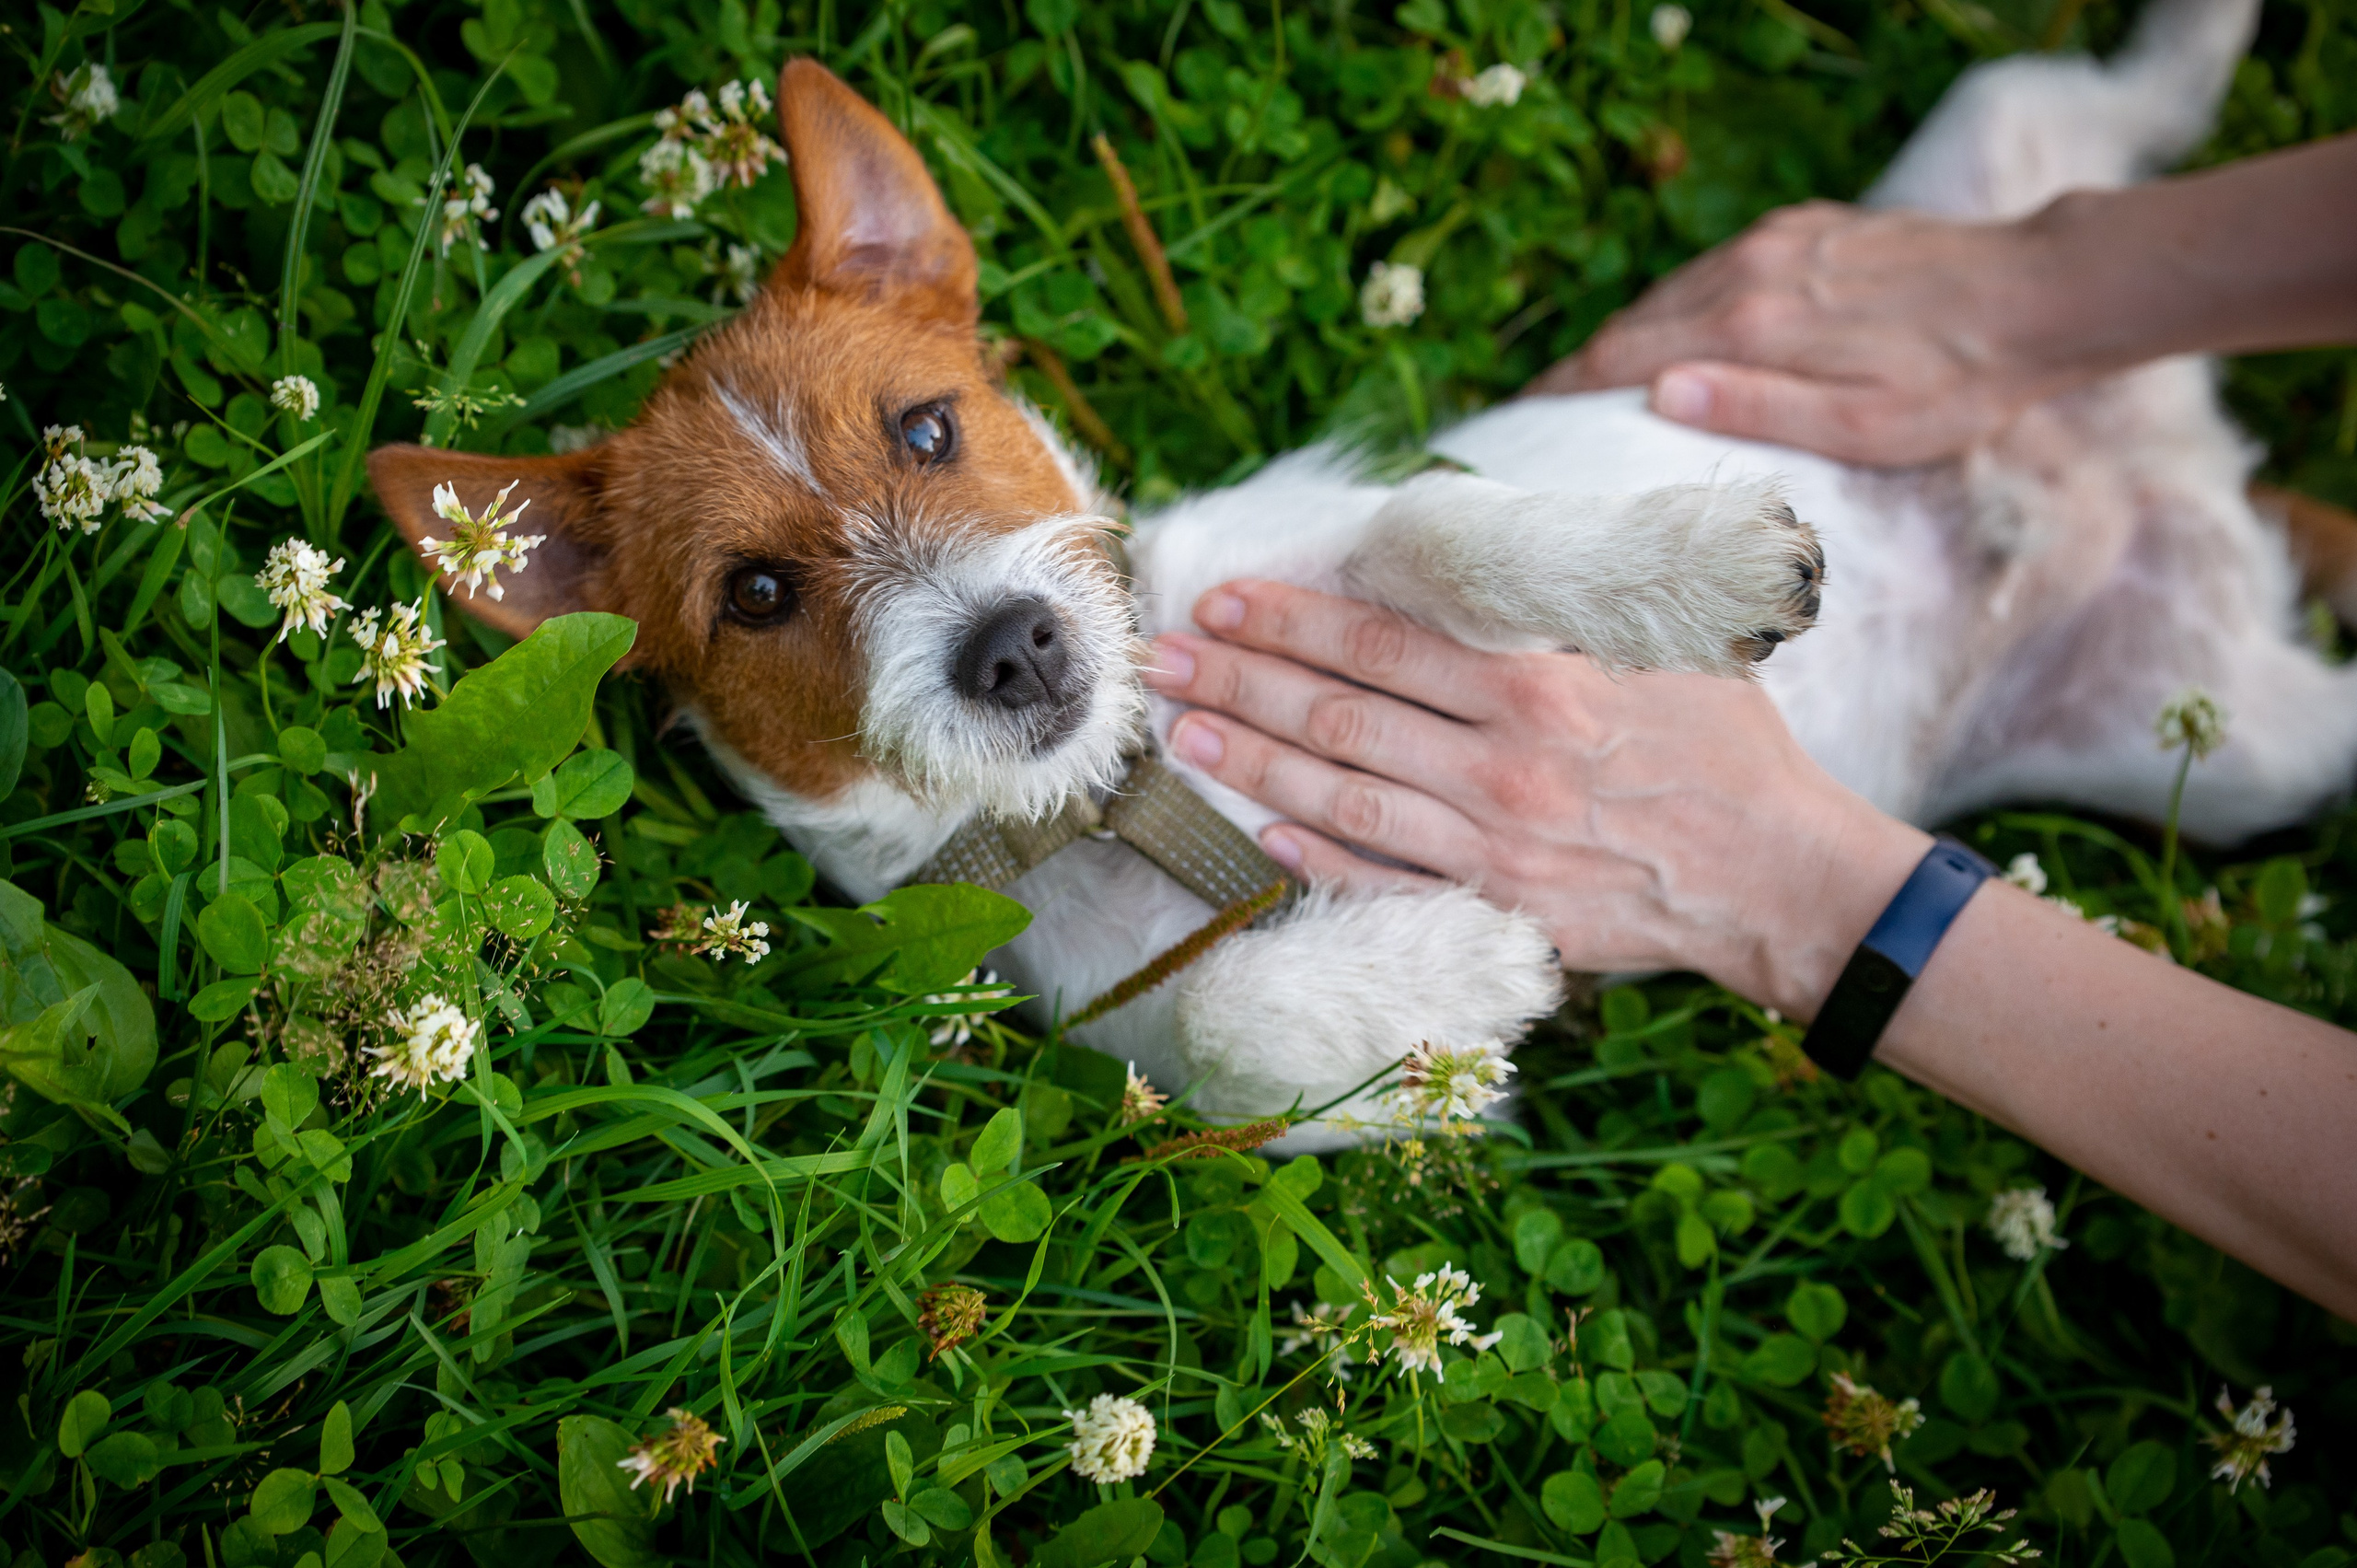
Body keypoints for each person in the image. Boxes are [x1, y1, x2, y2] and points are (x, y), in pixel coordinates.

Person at [1141, 138, 2357, 1320]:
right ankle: (2239, 499)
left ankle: (2233, 472)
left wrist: (1809, 891)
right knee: (2275, 758)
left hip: (1823, 506)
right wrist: (2054, 265)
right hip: (2008, 619)